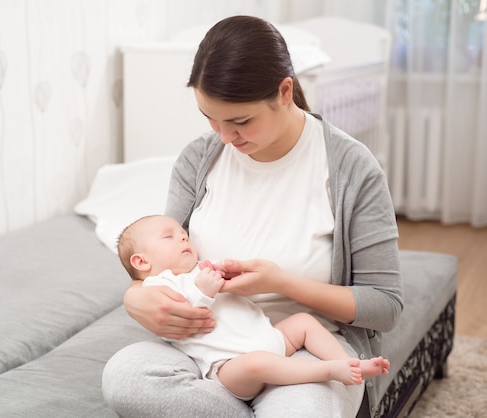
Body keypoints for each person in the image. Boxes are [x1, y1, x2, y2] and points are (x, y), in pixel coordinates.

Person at [102, 15, 403, 418]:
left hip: (302, 350)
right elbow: (161, 254)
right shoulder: (199, 159)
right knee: (125, 377)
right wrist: (134, 298)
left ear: (284, 92)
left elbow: (384, 305)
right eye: (211, 118)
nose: (225, 137)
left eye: (240, 121)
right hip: (208, 353)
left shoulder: (351, 169)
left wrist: (283, 283)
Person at [116, 214, 390, 400]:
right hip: (230, 366)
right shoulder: (158, 287)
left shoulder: (201, 267)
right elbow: (175, 319)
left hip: (271, 336)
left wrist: (228, 276)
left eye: (183, 233)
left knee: (304, 322)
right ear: (141, 262)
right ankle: (331, 371)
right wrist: (203, 291)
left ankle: (348, 363)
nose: (184, 238)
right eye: (169, 237)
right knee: (257, 363)